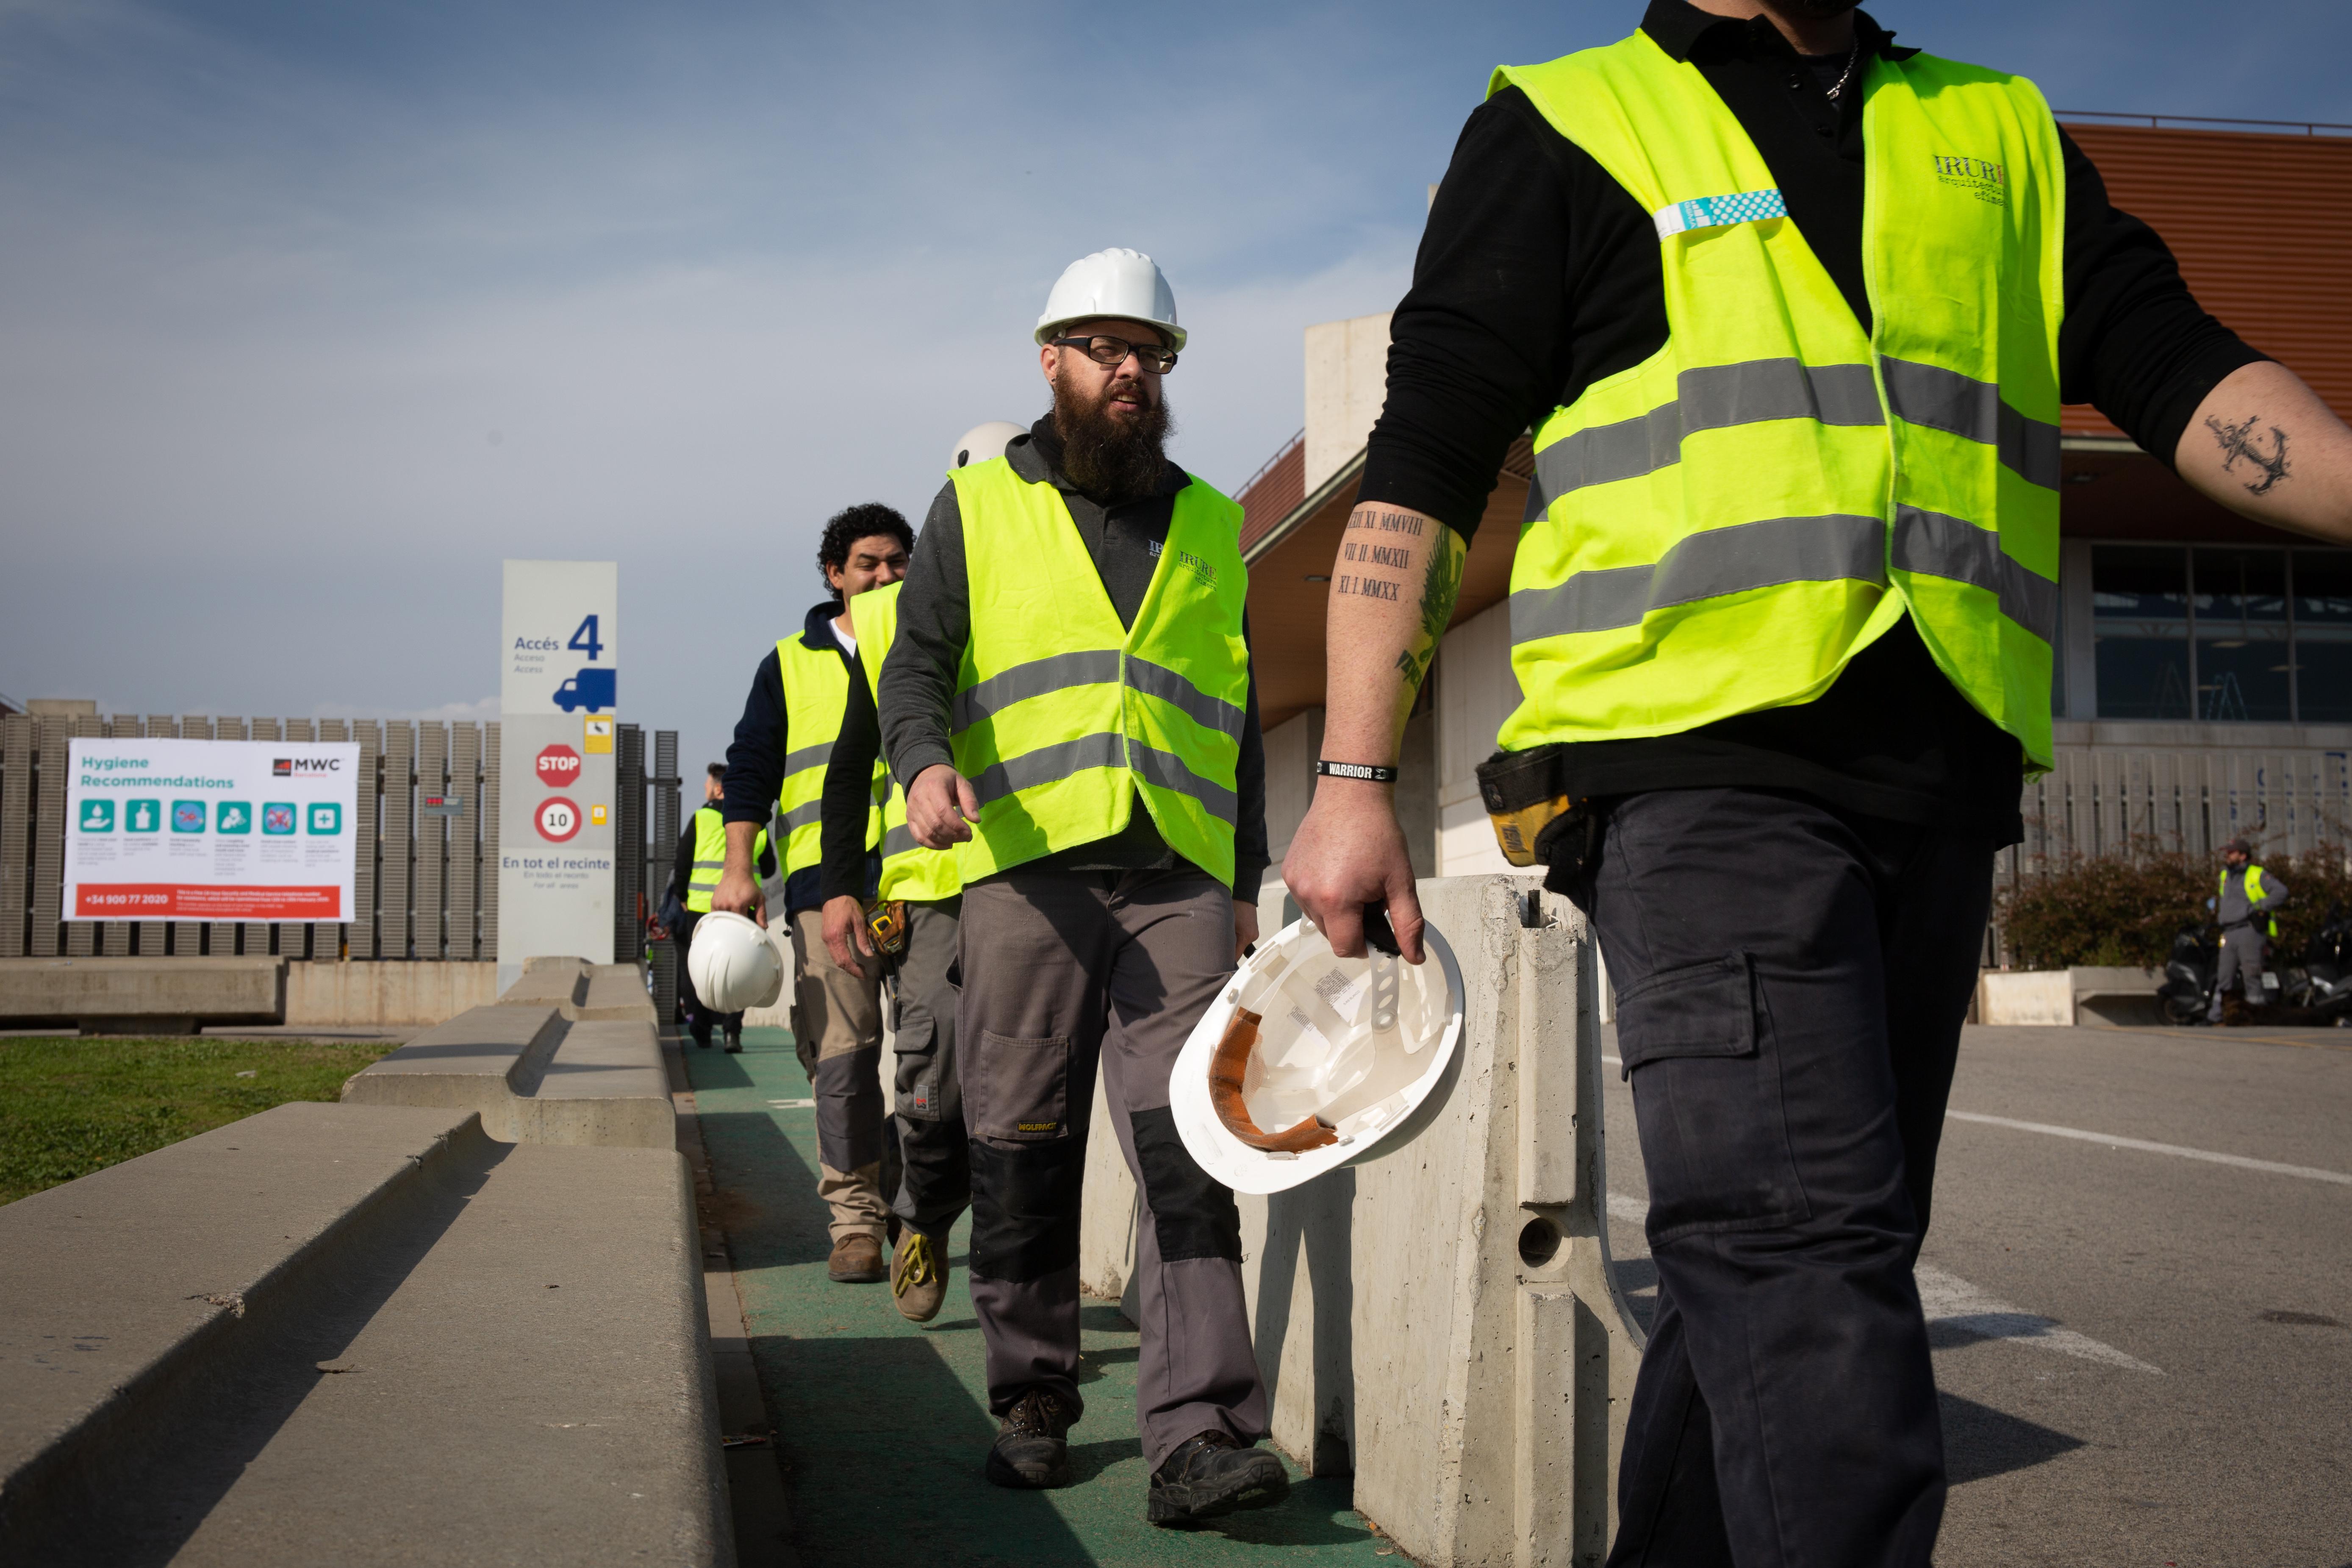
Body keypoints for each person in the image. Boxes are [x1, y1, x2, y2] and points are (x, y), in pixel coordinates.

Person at [1281, 4, 2352, 1564]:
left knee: (1792, 1276)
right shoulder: (1574, 121)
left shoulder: (1991, 129)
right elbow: (1429, 454)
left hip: (1932, 783)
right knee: (1801, 1262)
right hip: (1696, 768)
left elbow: (2174, 371)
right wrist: (1351, 773)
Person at [881, 247, 1290, 1524]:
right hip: (1023, 871)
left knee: (1193, 1147)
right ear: (1049, 359)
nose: (1130, 372)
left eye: (1149, 353)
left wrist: (1241, 875)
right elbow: (919, 666)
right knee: (1020, 1142)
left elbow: (1230, 711)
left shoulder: (1212, 521)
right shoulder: (976, 508)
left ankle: (1200, 1432)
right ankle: (1031, 1396)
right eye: (1105, 348)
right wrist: (922, 765)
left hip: (1172, 873)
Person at [715, 504, 911, 1285]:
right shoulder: (788, 663)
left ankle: (898, 1157)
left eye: (898, 562)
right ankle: (856, 1221)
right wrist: (738, 866)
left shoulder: (931, 643)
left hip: (925, 879)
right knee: (841, 1056)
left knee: (947, 1056)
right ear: (834, 574)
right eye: (868, 563)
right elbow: (752, 769)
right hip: (824, 889)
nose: (885, 576)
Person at [674, 763, 770, 1051]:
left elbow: (682, 862)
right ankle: (732, 1033)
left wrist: (682, 895)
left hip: (703, 909)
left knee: (703, 969)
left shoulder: (701, 818)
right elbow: (768, 868)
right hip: (743, 907)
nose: (704, 790)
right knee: (738, 969)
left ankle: (702, 1028)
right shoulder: (757, 825)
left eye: (706, 785)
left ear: (718, 789)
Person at [2209, 837, 2287, 1024]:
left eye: (2232, 852)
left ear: (2243, 856)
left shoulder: (2257, 874)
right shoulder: (2225, 875)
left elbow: (2281, 892)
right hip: (2228, 932)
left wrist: (2260, 906)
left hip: (2249, 931)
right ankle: (2216, 1017)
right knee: (2224, 977)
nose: (2227, 855)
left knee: (2252, 976)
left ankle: (2257, 1017)